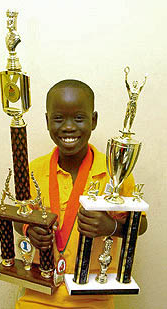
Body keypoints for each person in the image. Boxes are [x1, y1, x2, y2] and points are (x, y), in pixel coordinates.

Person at [15, 79, 147, 309]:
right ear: (47, 121)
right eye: (58, 118)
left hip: (94, 297)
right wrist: (28, 229)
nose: (68, 127)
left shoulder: (114, 172)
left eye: (78, 118)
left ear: (93, 120)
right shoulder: (33, 170)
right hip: (39, 292)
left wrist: (111, 227)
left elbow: (141, 225)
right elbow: (19, 217)